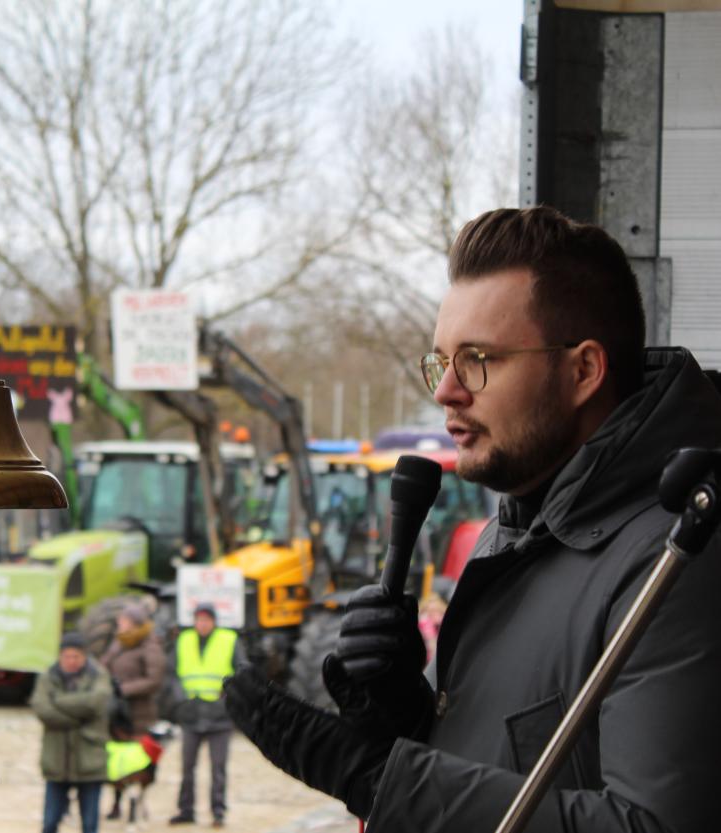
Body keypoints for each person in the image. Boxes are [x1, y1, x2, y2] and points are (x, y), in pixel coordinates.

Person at [224, 206, 721, 832]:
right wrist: (403, 709)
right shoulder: (516, 527)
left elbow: (651, 827)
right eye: (441, 362)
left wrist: (379, 779)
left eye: (478, 359)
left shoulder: (680, 556)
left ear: (583, 371)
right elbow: (509, 761)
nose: (446, 392)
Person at [168, 603, 245, 829]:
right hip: (191, 714)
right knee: (187, 767)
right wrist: (180, 700)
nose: (202, 624)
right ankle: (186, 810)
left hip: (219, 716)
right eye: (198, 620)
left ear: (213, 621)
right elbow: (172, 674)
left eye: (206, 620)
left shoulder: (228, 640)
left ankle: (218, 812)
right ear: (194, 621)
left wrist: (229, 696)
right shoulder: (184, 640)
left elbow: (241, 672)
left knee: (218, 768)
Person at [29, 631, 112, 833]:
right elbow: (42, 709)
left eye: (76, 656)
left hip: (90, 762)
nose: (71, 661)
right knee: (49, 823)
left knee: (90, 825)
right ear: (60, 656)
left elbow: (96, 703)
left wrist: (58, 701)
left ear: (84, 657)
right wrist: (77, 717)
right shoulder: (48, 677)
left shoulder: (98, 676)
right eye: (67, 656)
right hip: (56, 762)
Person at [100, 602, 166, 736]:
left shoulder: (150, 646)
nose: (119, 623)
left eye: (124, 620)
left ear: (134, 623)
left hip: (140, 714)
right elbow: (103, 666)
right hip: (116, 710)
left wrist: (123, 689)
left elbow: (154, 680)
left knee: (136, 753)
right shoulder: (119, 642)